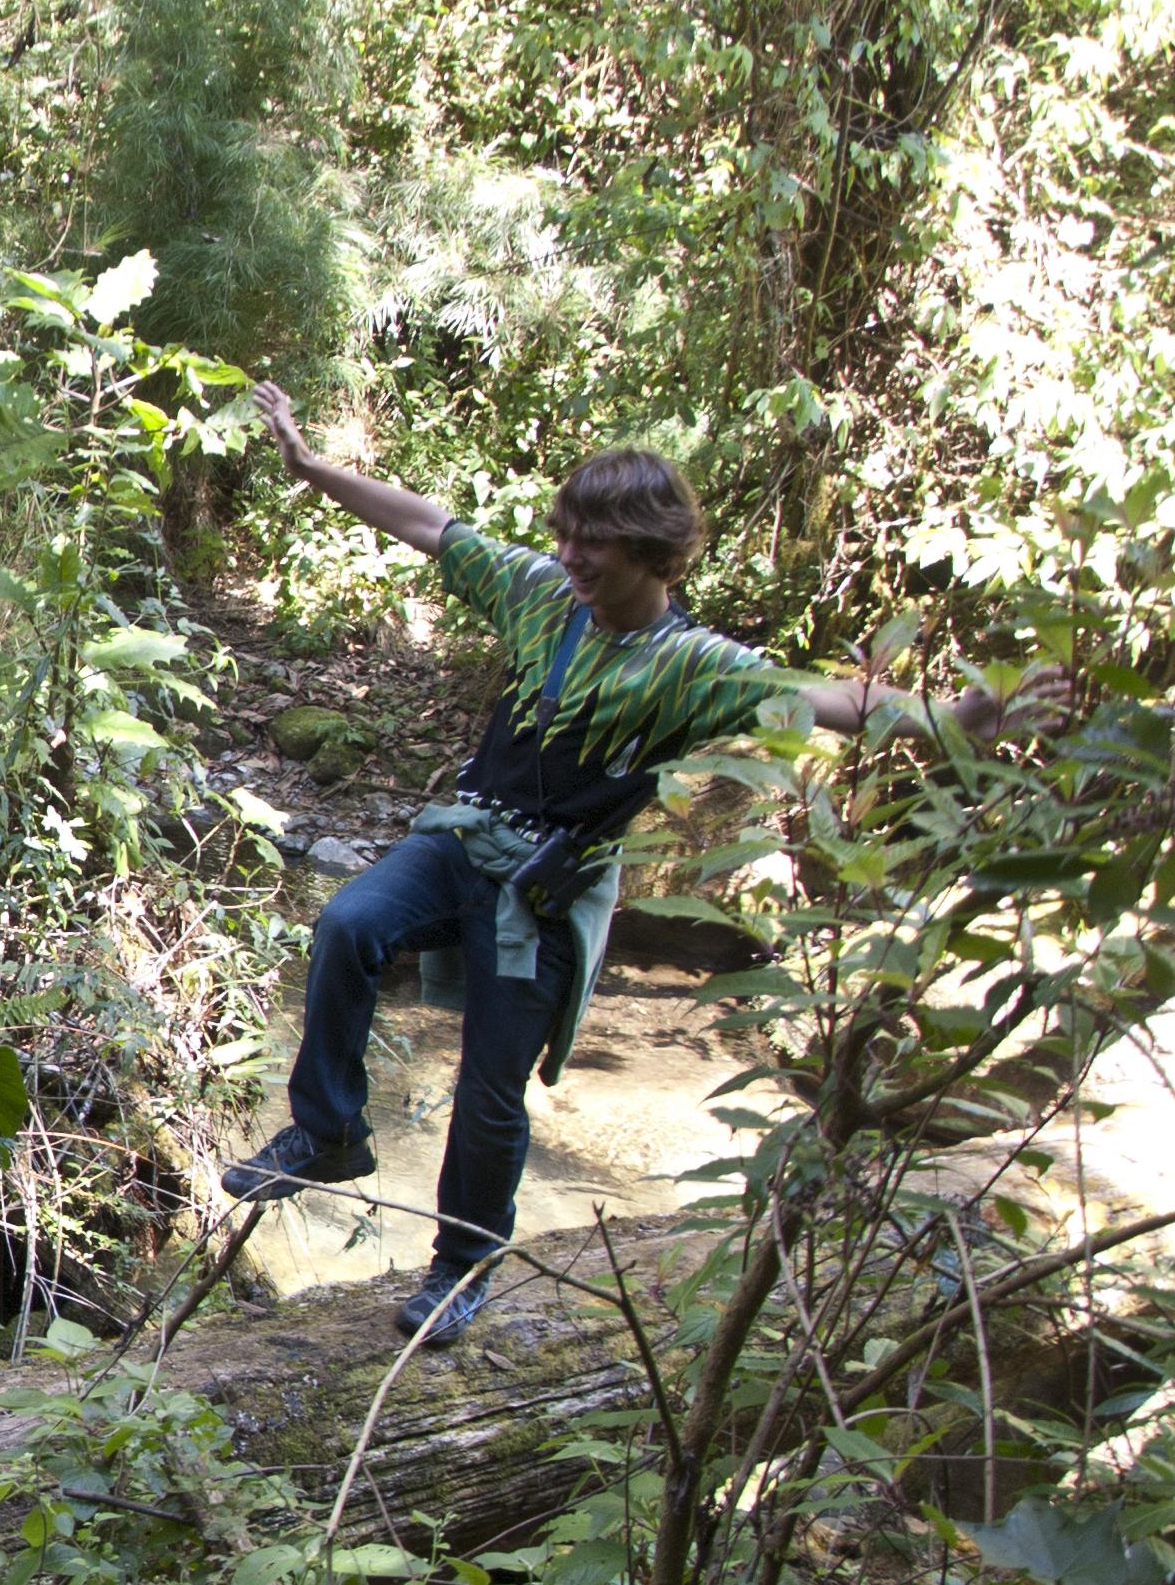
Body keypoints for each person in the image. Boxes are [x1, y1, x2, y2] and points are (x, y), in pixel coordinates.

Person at [223, 383, 1034, 1343]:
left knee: (489, 1091)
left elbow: (824, 697)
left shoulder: (694, 664)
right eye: (566, 535)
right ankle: (328, 1132)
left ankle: (459, 1264)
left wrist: (956, 721)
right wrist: (314, 469)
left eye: (592, 544)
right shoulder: (540, 595)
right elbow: (434, 526)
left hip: (546, 893)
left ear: (652, 551)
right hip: (459, 842)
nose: (570, 556)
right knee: (350, 921)